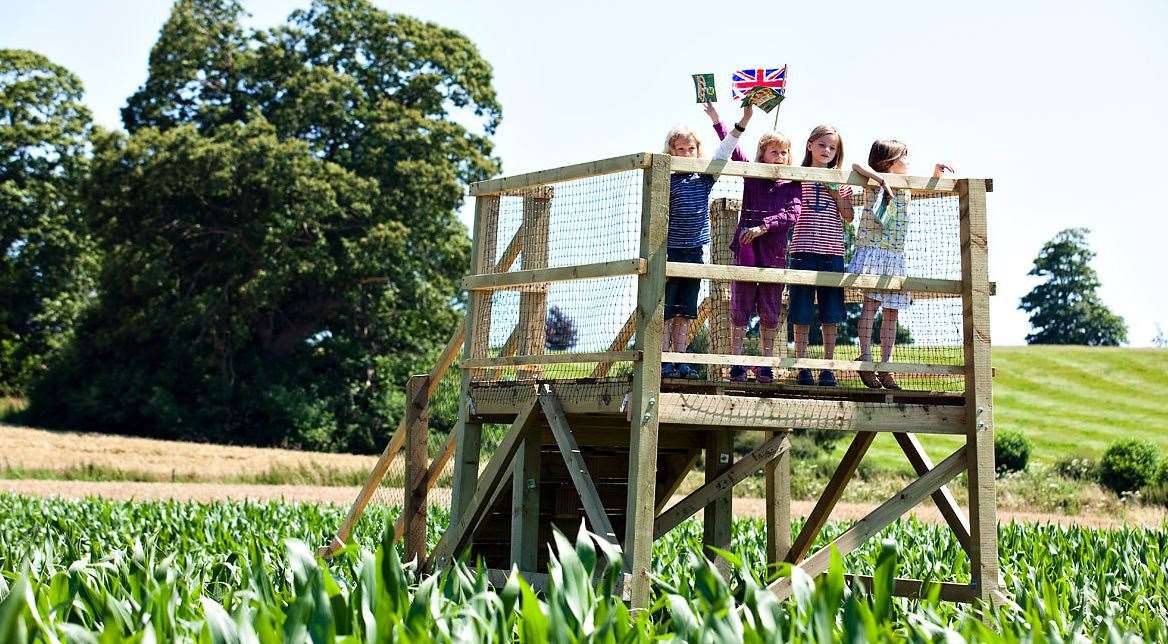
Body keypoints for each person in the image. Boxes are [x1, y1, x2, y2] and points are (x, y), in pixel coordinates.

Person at [705, 102, 800, 383]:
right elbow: (731, 147)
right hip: (747, 250)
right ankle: (736, 361)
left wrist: (763, 227)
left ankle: (766, 363)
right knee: (740, 306)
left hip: (774, 255)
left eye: (784, 152)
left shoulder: (793, 183)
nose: (780, 157)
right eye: (774, 152)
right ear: (763, 154)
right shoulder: (752, 174)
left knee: (770, 309)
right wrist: (717, 119)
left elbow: (792, 214)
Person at [849, 139, 953, 389]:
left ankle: (886, 366)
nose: (908, 161)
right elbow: (856, 164)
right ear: (889, 162)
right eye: (904, 157)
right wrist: (882, 179)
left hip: (896, 257)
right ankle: (865, 356)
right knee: (870, 306)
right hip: (875, 254)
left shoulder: (906, 186)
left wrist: (935, 175)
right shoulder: (875, 182)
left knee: (892, 313)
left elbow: (925, 190)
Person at [661, 119, 741, 379]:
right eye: (680, 150)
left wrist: (739, 126)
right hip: (670, 251)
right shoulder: (666, 180)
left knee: (686, 310)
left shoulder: (704, 178)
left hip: (694, 251)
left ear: (697, 151)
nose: (686, 154)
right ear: (671, 153)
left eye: (691, 149)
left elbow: (724, 152)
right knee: (666, 310)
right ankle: (663, 360)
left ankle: (681, 360)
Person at [788, 125, 852, 386]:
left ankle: (828, 367)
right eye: (822, 145)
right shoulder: (797, 176)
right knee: (801, 311)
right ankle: (802, 366)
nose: (827, 150)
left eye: (832, 147)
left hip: (832, 252)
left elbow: (848, 215)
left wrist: (835, 188)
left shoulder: (842, 179)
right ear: (810, 145)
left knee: (831, 312)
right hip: (803, 250)